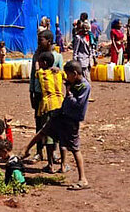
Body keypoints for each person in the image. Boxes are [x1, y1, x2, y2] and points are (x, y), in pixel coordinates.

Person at [22, 60, 90, 190]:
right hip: (61, 115)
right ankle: (25, 150)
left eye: (68, 75)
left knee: (75, 148)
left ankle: (83, 179)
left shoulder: (84, 86)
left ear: (75, 74)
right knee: (44, 131)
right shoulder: (73, 82)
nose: (67, 77)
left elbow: (78, 104)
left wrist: (69, 92)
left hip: (72, 120)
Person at [35, 51, 65, 174]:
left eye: (41, 62)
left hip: (47, 106)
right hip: (60, 104)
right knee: (62, 136)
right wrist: (56, 68)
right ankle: (63, 165)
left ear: (45, 63)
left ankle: (50, 165)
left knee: (48, 137)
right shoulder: (59, 73)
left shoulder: (41, 74)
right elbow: (66, 76)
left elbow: (37, 71)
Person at [29, 30, 56, 162]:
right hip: (39, 94)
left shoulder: (56, 56)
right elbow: (32, 77)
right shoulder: (36, 57)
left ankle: (53, 152)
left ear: (49, 41)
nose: (39, 42)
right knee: (39, 124)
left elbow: (61, 75)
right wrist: (31, 94)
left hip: (52, 96)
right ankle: (39, 152)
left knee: (53, 124)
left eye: (41, 40)